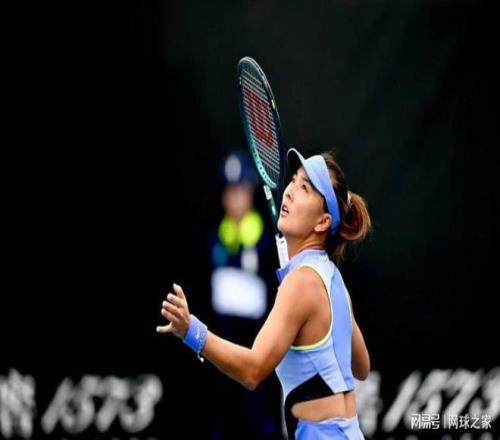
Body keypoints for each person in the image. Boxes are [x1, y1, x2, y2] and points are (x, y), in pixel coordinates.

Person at [157, 147, 372, 439]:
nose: (290, 191)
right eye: (293, 180)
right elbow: (361, 367)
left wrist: (190, 330)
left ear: (323, 222)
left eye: (305, 188)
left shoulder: (301, 284)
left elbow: (253, 371)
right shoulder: (332, 278)